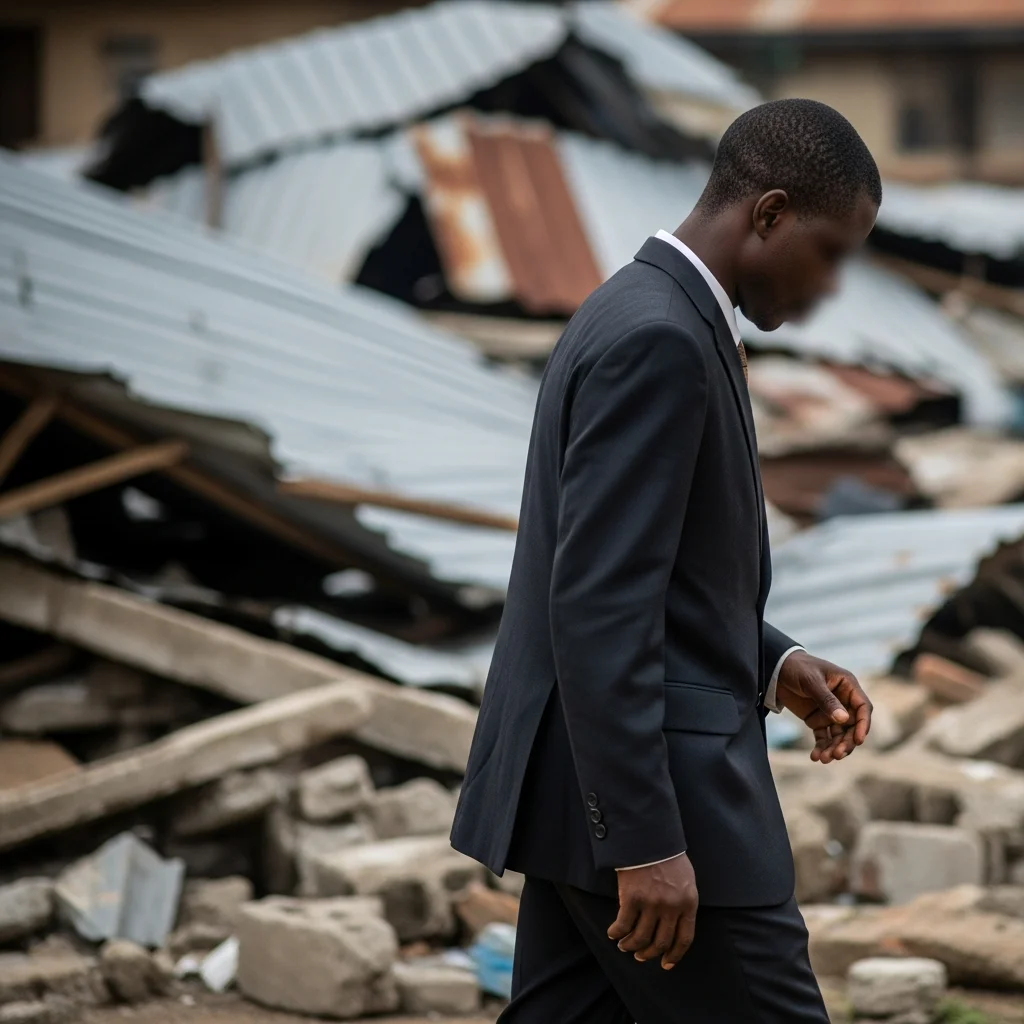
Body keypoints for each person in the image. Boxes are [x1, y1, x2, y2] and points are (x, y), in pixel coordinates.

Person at [450, 99, 878, 1023]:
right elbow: (600, 606)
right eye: (832, 252)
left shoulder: (641, 310)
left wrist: (771, 662)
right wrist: (644, 844)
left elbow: (649, 574)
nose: (832, 286)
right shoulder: (660, 340)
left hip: (580, 802)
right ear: (768, 213)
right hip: (662, 821)